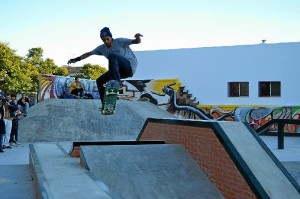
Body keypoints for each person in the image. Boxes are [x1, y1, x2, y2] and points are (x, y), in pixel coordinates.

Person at [67, 27, 143, 103]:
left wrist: (137, 37)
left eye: (107, 39)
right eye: (103, 40)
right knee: (99, 81)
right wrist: (76, 59)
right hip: (118, 72)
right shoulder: (101, 48)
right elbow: (89, 53)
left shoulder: (119, 41)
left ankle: (116, 83)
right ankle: (105, 102)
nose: (106, 42)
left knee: (112, 56)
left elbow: (136, 41)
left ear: (111, 37)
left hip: (129, 67)